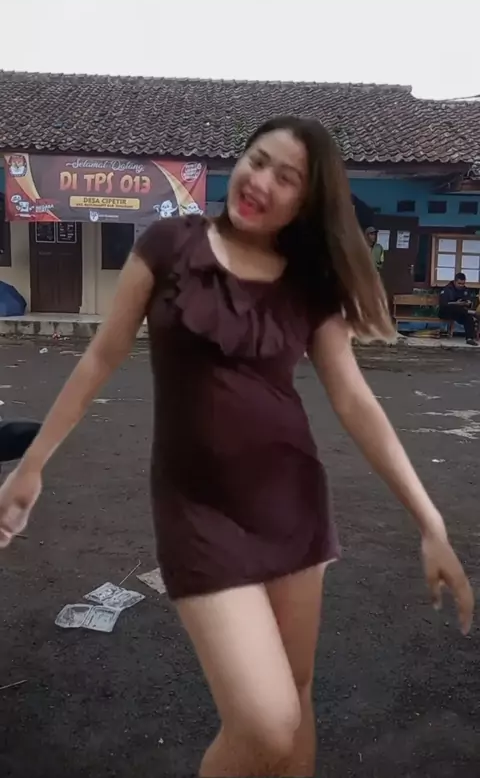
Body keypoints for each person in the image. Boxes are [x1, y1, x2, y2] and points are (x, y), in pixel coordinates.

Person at [0, 117, 473, 778]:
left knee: (297, 699)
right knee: (265, 722)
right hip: (196, 511)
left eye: (288, 178)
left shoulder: (308, 282)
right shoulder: (169, 245)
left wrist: (430, 521)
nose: (262, 182)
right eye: (259, 160)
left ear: (307, 202)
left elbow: (355, 401)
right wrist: (31, 468)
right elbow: (100, 358)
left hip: (292, 504)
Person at [439, 272, 478, 346]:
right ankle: (469, 312)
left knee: (468, 317)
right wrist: (456, 303)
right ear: (455, 281)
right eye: (459, 283)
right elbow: (444, 304)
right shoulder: (447, 289)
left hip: (460, 312)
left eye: (463, 284)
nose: (461, 285)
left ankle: (469, 338)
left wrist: (468, 302)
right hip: (446, 311)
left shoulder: (465, 290)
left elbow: (469, 300)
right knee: (459, 309)